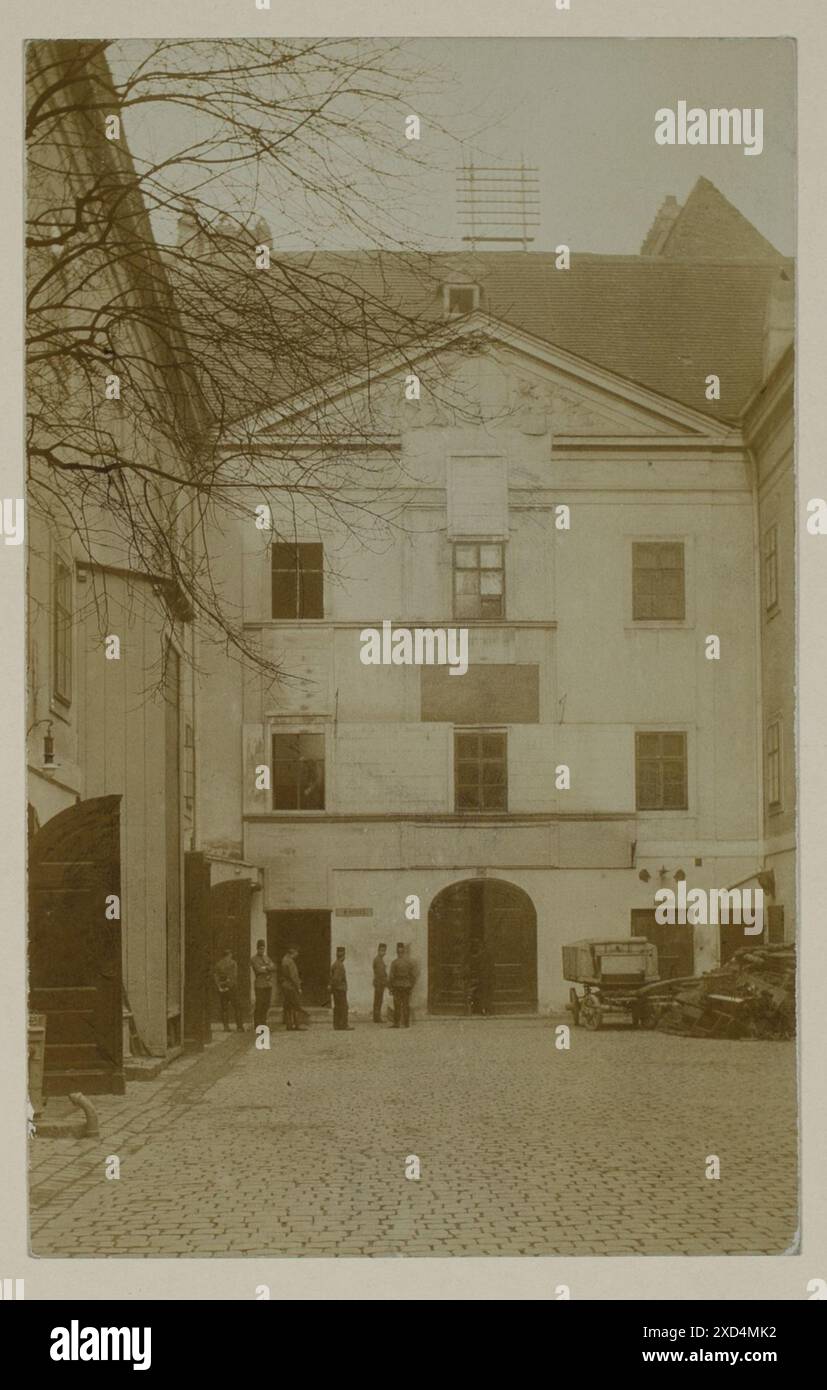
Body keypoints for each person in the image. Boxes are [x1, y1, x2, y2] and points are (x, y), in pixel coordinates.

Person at [214, 949, 244, 1032]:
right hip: (232, 988)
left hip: (222, 988)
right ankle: (239, 1026)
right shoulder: (233, 963)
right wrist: (230, 985)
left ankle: (226, 1027)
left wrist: (219, 986)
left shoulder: (218, 964)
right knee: (237, 1007)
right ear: (229, 955)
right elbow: (234, 976)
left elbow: (216, 977)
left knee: (224, 1008)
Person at [388, 941, 415, 1028]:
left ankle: (397, 1023)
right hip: (406, 986)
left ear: (397, 952)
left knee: (397, 1005)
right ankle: (406, 1023)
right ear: (403, 952)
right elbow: (413, 976)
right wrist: (411, 986)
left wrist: (391, 988)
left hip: (397, 986)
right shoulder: (409, 963)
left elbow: (391, 976)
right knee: (406, 1005)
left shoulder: (394, 963)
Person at [250, 940, 276, 1029]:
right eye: (260, 948)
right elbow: (258, 970)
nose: (262, 950)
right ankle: (257, 1023)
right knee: (259, 1004)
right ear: (257, 949)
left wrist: (266, 967)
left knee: (266, 1004)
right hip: (260, 985)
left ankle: (263, 1022)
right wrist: (268, 967)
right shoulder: (253, 959)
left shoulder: (266, 958)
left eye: (263, 948)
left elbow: (274, 967)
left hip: (268, 984)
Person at [280, 945, 306, 1031]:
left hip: (285, 986)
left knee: (287, 1007)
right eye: (296, 953)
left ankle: (289, 1025)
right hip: (291, 987)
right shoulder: (290, 962)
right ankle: (297, 1025)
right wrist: (298, 987)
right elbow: (293, 976)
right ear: (293, 952)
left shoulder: (284, 960)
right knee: (296, 1005)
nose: (297, 955)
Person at [329, 946, 354, 1031]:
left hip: (337, 989)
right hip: (340, 989)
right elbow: (336, 979)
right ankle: (343, 1025)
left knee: (337, 1007)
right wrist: (336, 987)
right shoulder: (339, 965)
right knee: (344, 1007)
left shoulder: (335, 964)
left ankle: (337, 1025)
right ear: (343, 956)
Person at [372, 942, 388, 1023]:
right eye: (382, 950)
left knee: (378, 1000)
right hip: (379, 983)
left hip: (379, 983)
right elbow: (380, 973)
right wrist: (385, 981)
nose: (383, 952)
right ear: (378, 950)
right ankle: (377, 1018)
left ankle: (376, 1017)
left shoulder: (380, 959)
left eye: (384, 950)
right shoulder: (378, 960)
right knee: (378, 1000)